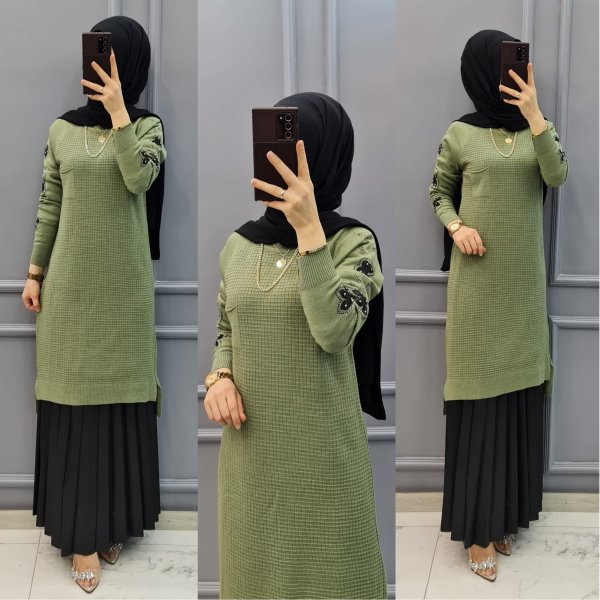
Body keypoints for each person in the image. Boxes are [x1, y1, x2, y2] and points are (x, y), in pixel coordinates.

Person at [203, 92, 387, 599]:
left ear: (324, 161)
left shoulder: (354, 244)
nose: (281, 169)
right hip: (251, 457)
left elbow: (333, 330)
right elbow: (226, 328)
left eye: (296, 158)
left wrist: (309, 228)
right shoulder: (238, 245)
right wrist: (219, 377)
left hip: (323, 457)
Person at [21, 16, 166, 593]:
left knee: (118, 406)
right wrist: (34, 273)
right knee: (76, 407)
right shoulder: (62, 130)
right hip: (70, 294)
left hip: (124, 295)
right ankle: (81, 536)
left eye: (110, 59)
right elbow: (49, 204)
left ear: (129, 67)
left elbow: (138, 180)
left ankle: (112, 522)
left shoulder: (148, 127)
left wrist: (120, 111)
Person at [429, 30, 568, 581]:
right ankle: (477, 532)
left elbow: (557, 174)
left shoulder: (539, 129)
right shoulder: (460, 134)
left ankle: (506, 516)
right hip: (477, 290)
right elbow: (438, 192)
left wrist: (534, 114)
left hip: (523, 291)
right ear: (483, 71)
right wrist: (456, 227)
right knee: (481, 404)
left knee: (516, 403)